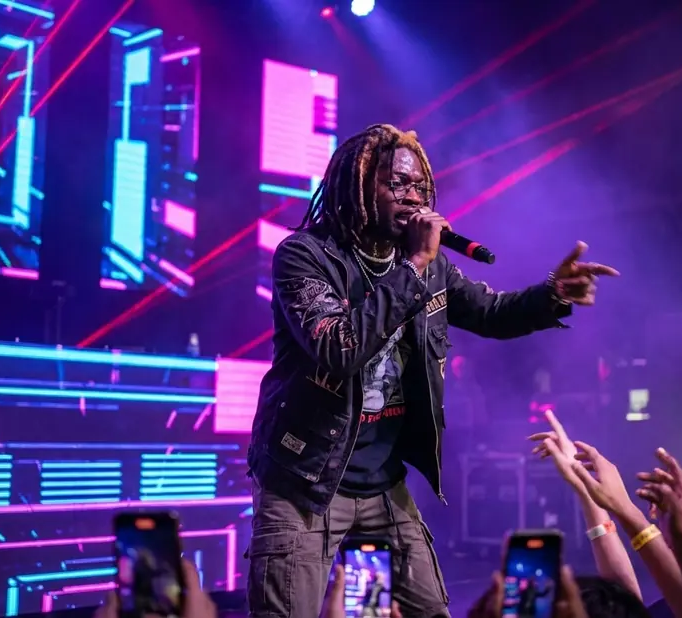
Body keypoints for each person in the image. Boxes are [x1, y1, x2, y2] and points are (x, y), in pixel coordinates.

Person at [246, 123, 619, 617]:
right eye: (396, 184)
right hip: (306, 480)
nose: (412, 196)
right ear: (358, 187)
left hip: (381, 483)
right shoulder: (306, 257)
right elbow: (339, 348)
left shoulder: (428, 266)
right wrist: (419, 262)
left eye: (419, 186)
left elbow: (492, 312)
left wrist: (552, 294)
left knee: (428, 612)